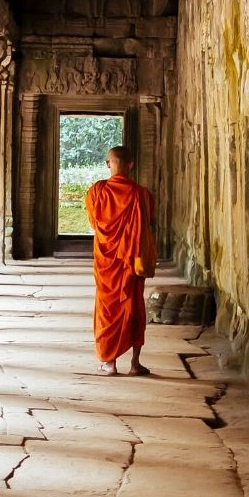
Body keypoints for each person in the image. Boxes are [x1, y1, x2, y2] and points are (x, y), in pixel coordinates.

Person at [84, 144, 154, 376]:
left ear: (108, 164)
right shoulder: (141, 194)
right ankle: (135, 364)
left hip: (107, 263)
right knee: (134, 309)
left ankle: (110, 363)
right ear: (131, 164)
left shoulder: (97, 191)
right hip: (130, 262)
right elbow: (149, 222)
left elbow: (94, 223)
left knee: (107, 309)